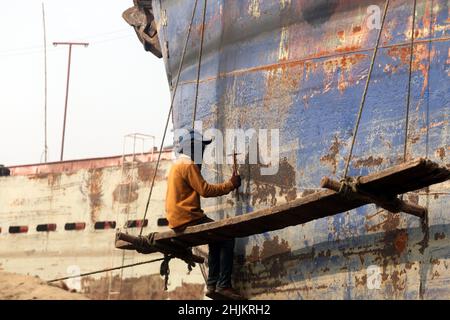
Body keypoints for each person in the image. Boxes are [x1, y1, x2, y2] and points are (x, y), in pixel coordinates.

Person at [165, 129, 242, 299]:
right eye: (201, 149)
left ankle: (212, 285)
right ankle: (223, 285)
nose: (202, 154)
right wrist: (230, 184)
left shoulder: (176, 166)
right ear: (193, 149)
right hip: (189, 218)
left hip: (177, 220)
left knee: (215, 239)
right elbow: (205, 190)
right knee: (228, 236)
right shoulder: (188, 165)